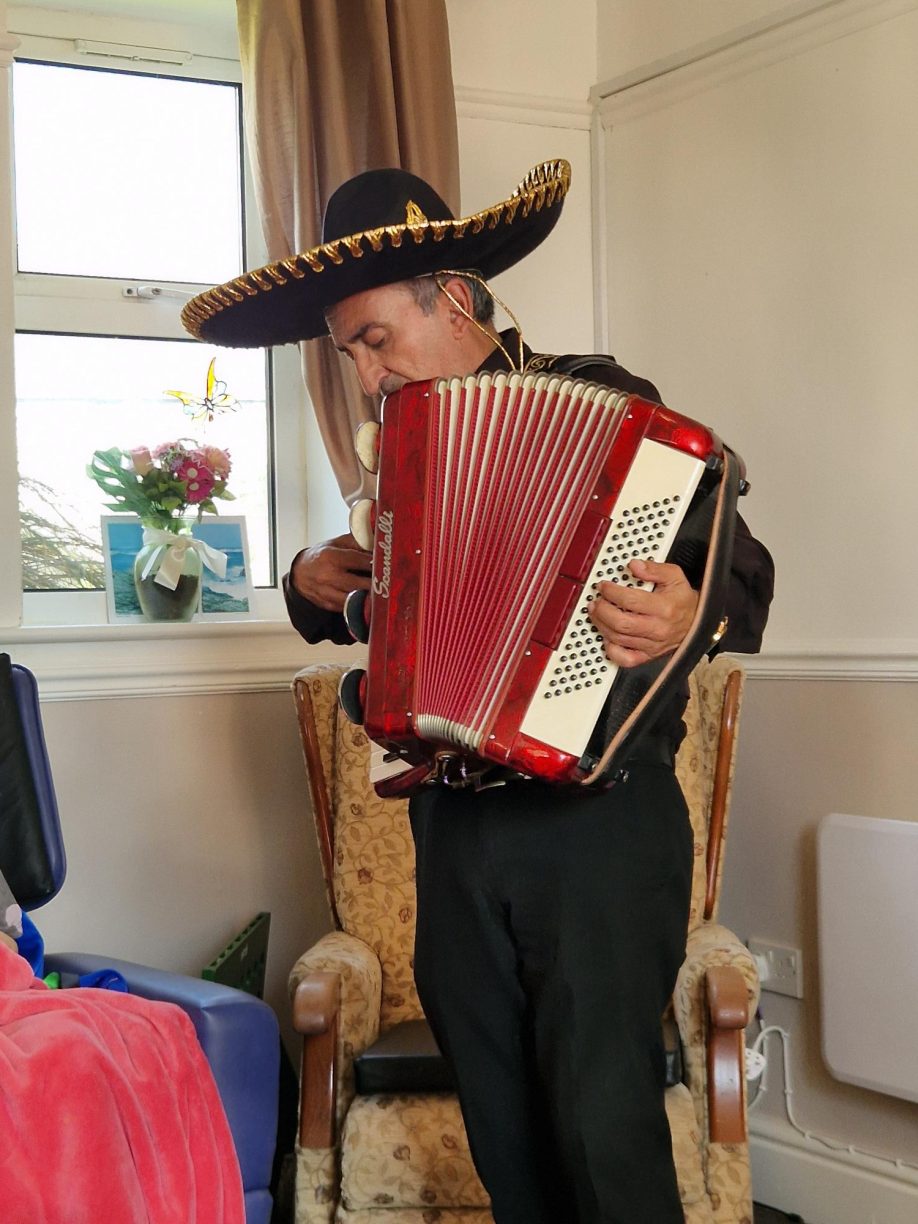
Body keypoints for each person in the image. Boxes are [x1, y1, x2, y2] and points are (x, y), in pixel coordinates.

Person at [183, 160, 774, 1223]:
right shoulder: (397, 460)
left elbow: (741, 566)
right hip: (454, 830)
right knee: (502, 1129)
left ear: (453, 301)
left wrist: (688, 612)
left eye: (374, 340)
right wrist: (309, 584)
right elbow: (386, 604)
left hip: (598, 828)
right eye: (346, 351)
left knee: (605, 1137)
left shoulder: (608, 405)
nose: (365, 374)